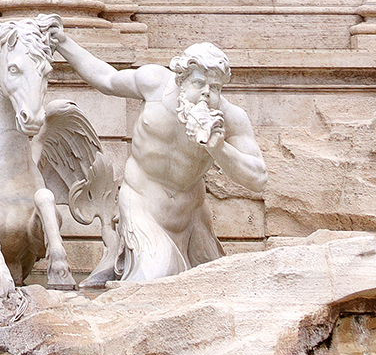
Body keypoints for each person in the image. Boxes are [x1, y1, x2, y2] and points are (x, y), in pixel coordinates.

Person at [46, 34, 268, 284]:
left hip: (191, 217)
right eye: (199, 83)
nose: (206, 93)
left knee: (212, 285)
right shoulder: (153, 83)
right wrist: (63, 42)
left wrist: (219, 149)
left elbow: (259, 178)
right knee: (155, 279)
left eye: (215, 87)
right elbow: (105, 79)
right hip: (142, 205)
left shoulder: (230, 118)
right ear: (181, 79)